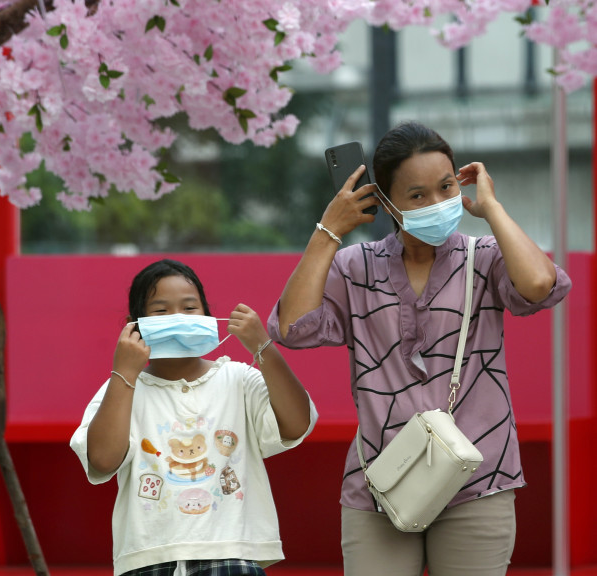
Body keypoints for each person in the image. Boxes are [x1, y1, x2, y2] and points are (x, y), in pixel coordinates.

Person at [268, 121, 572, 576]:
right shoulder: (355, 268)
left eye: (446, 187)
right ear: (386, 200)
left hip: (479, 479)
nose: (438, 203)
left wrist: (490, 207)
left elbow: (539, 283)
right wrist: (328, 231)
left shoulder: (484, 256)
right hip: (383, 484)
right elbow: (292, 328)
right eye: (417, 195)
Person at [71, 258, 318, 576]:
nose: (177, 318)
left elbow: (297, 423)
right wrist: (124, 372)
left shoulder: (239, 378)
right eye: (160, 311)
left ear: (208, 314)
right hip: (148, 558)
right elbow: (102, 460)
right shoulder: (121, 389)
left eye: (189, 308)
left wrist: (263, 346)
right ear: (135, 325)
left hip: (232, 554)